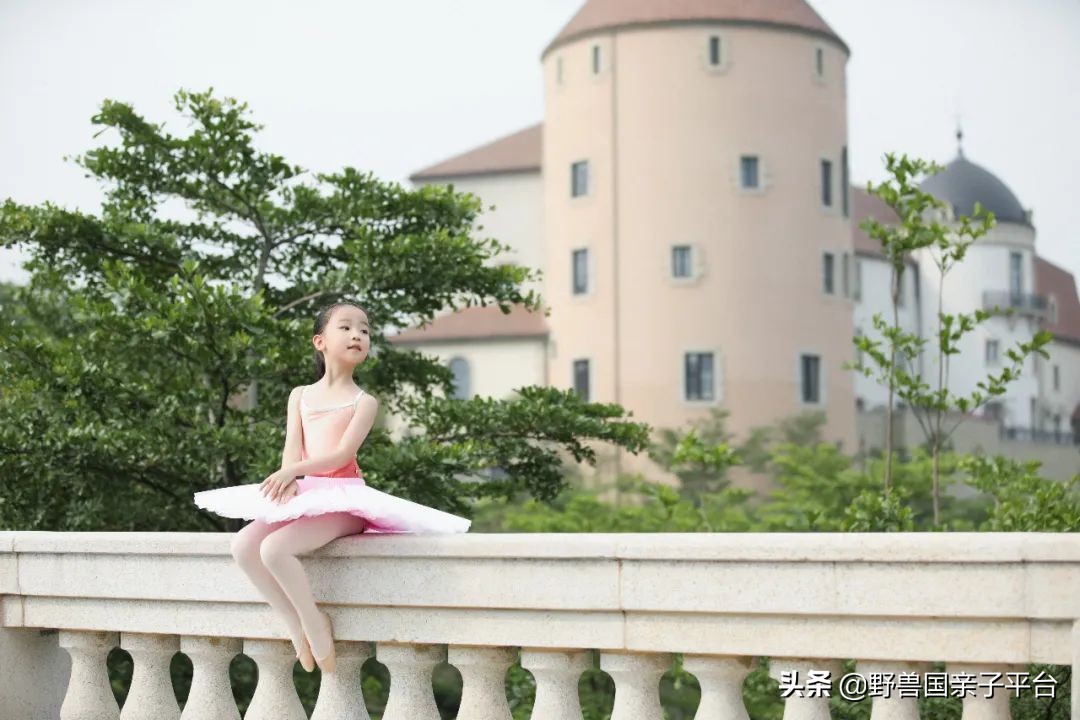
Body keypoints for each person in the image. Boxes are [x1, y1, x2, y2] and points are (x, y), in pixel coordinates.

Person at [193, 301, 471, 673]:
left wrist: (294, 471)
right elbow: (292, 447)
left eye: (365, 330)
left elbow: (341, 456)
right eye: (346, 327)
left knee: (275, 549)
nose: (358, 335)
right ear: (320, 341)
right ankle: (293, 623)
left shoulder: (364, 402)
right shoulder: (300, 395)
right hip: (308, 493)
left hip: (345, 500)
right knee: (243, 546)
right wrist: (288, 477)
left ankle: (314, 622)